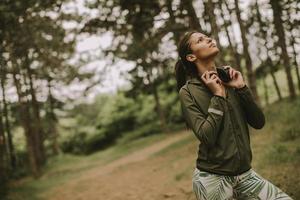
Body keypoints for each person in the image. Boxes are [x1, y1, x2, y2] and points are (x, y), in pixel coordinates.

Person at [174, 31, 293, 200]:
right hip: (212, 179)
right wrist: (218, 96)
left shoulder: (229, 79)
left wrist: (241, 87)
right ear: (191, 57)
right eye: (200, 40)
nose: (209, 39)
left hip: (245, 175)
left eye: (207, 36)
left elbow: (258, 122)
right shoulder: (188, 92)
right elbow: (206, 136)